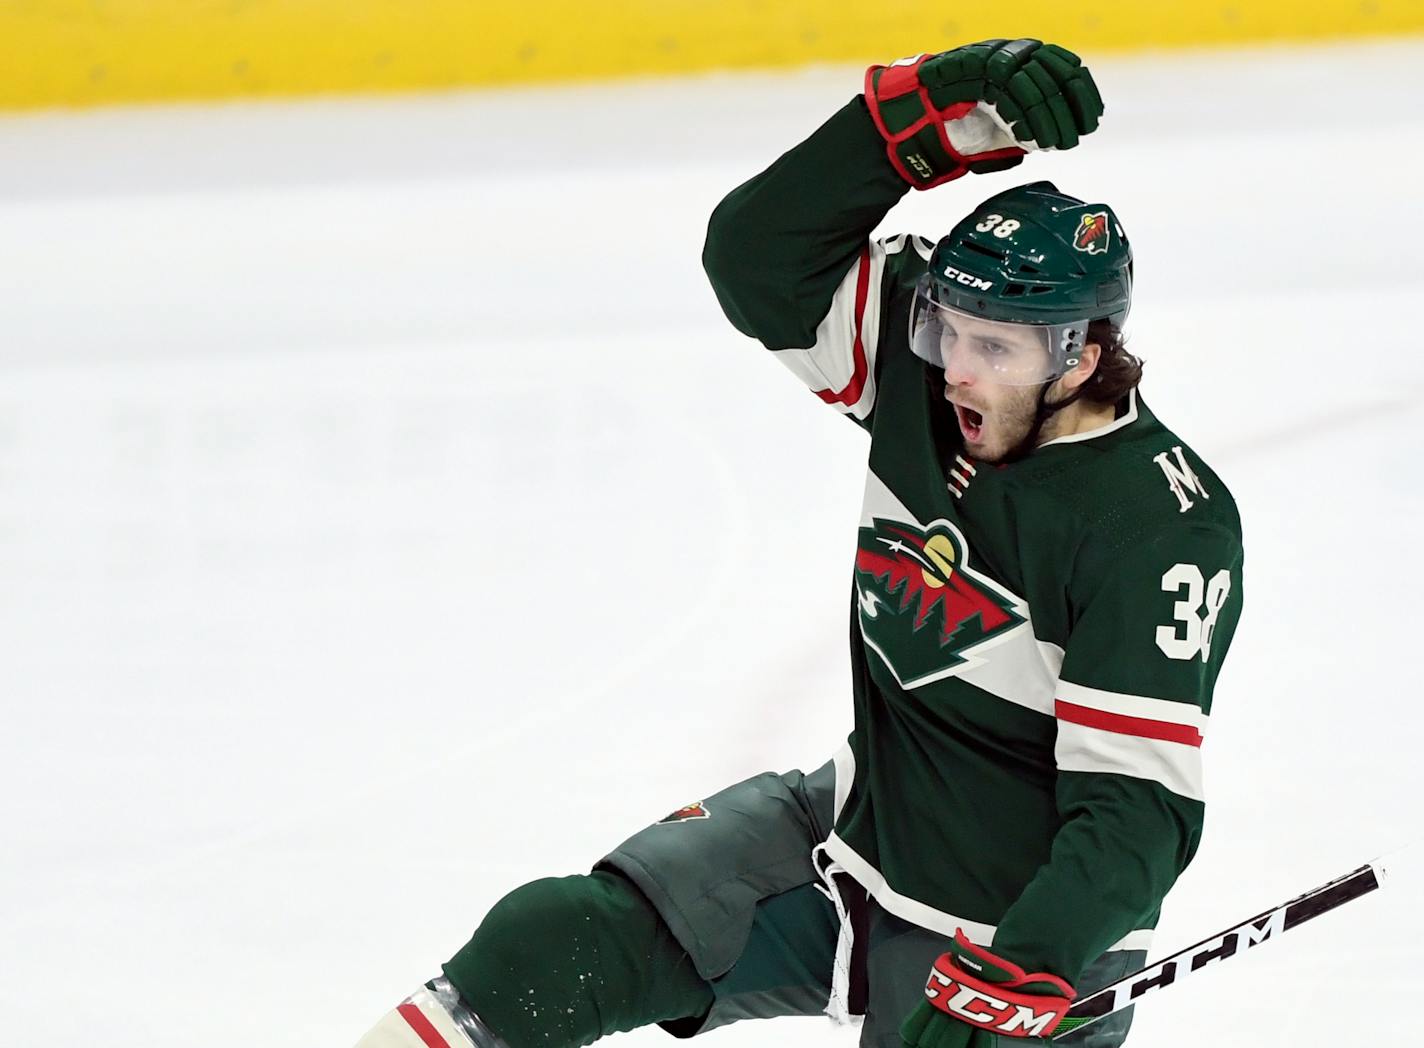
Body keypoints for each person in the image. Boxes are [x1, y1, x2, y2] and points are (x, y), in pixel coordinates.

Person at [354, 37, 1243, 1048]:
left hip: (1013, 928)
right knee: (552, 945)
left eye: (992, 349)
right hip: (848, 837)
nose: (955, 367)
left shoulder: (1158, 528)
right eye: (946, 332)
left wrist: (1022, 966)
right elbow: (754, 258)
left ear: (1081, 354)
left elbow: (1135, 816)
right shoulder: (929, 370)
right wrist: (918, 122)